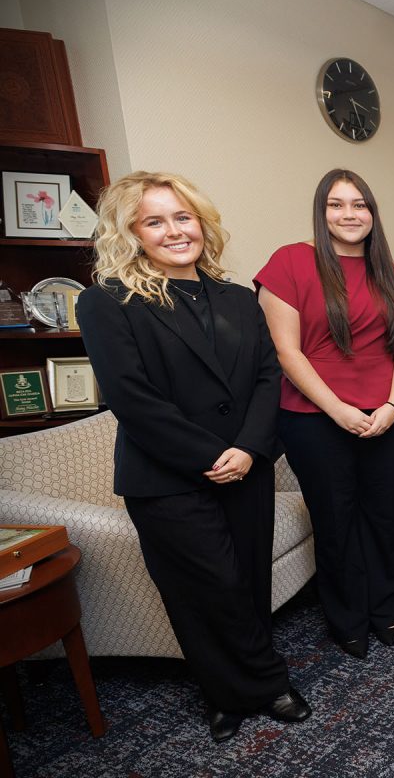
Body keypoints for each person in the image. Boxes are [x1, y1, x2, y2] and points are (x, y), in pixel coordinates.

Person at [76, 171, 310, 743]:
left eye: (183, 217)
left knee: (247, 581)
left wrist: (250, 449)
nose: (175, 231)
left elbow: (265, 376)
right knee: (205, 591)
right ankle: (245, 689)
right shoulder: (106, 302)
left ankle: (243, 687)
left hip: (245, 468)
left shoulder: (234, 296)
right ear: (131, 232)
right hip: (167, 479)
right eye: (155, 221)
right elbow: (133, 400)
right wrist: (213, 454)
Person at [256, 169, 394, 660]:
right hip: (313, 417)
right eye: (337, 204)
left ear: (373, 213)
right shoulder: (290, 262)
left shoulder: (389, 272)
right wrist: (339, 410)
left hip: (387, 413)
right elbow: (287, 353)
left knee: (383, 514)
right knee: (336, 519)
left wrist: (391, 405)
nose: (349, 214)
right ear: (321, 211)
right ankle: (347, 617)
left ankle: (386, 604)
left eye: (360, 205)